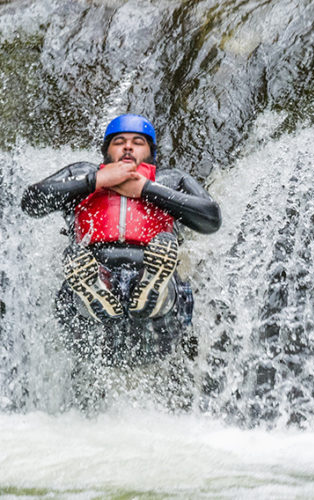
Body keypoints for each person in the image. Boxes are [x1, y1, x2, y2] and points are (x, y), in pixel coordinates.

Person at [21, 114, 221, 356]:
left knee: (167, 268)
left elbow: (211, 218)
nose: (128, 146)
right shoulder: (82, 173)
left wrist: (145, 189)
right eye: (119, 141)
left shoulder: (170, 180)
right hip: (94, 312)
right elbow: (31, 202)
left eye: (138, 142)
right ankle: (94, 291)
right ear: (106, 152)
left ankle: (156, 291)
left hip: (156, 327)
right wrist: (96, 180)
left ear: (151, 152)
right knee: (78, 267)